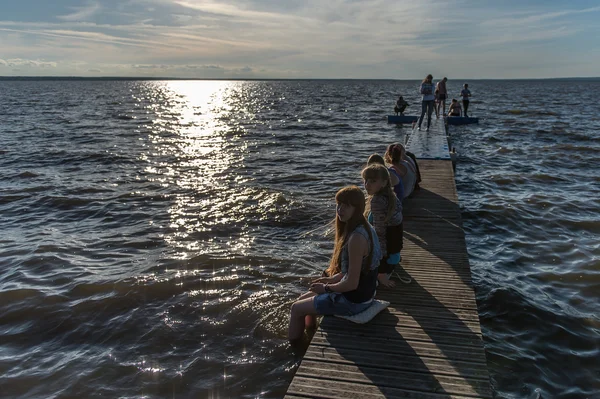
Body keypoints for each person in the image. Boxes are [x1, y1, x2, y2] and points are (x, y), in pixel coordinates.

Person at [288, 186, 381, 341]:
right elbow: (353, 272)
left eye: (346, 206)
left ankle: (295, 347)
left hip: (355, 302)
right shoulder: (366, 228)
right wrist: (330, 280)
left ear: (357, 208)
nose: (340, 209)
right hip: (365, 294)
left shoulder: (356, 238)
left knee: (296, 308)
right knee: (301, 301)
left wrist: (326, 288)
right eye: (339, 205)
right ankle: (310, 332)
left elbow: (351, 283)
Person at [362, 164, 403, 288]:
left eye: (373, 181)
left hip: (386, 254)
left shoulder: (377, 201)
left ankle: (381, 274)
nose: (367, 184)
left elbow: (380, 234)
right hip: (394, 250)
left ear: (384, 183)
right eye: (366, 180)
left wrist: (382, 269)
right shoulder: (392, 196)